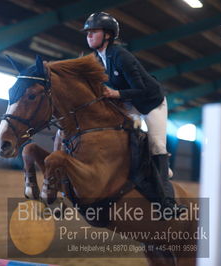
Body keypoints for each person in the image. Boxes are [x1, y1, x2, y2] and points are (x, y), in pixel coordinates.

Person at [82, 12, 184, 213]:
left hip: (150, 102)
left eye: (94, 32)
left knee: (156, 144)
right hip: (128, 103)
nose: (89, 36)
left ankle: (168, 203)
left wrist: (116, 92)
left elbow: (143, 90)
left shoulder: (121, 56)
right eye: (87, 33)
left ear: (108, 35)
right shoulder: (97, 59)